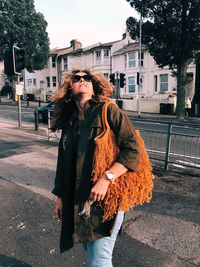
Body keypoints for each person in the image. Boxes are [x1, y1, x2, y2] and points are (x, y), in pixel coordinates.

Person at [51, 69, 140, 267]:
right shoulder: (70, 121)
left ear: (94, 86)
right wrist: (59, 196)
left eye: (87, 78)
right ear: (69, 87)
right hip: (80, 198)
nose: (82, 80)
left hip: (107, 200)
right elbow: (63, 163)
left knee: (99, 259)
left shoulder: (109, 111)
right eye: (76, 78)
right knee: (91, 249)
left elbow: (133, 150)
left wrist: (106, 178)